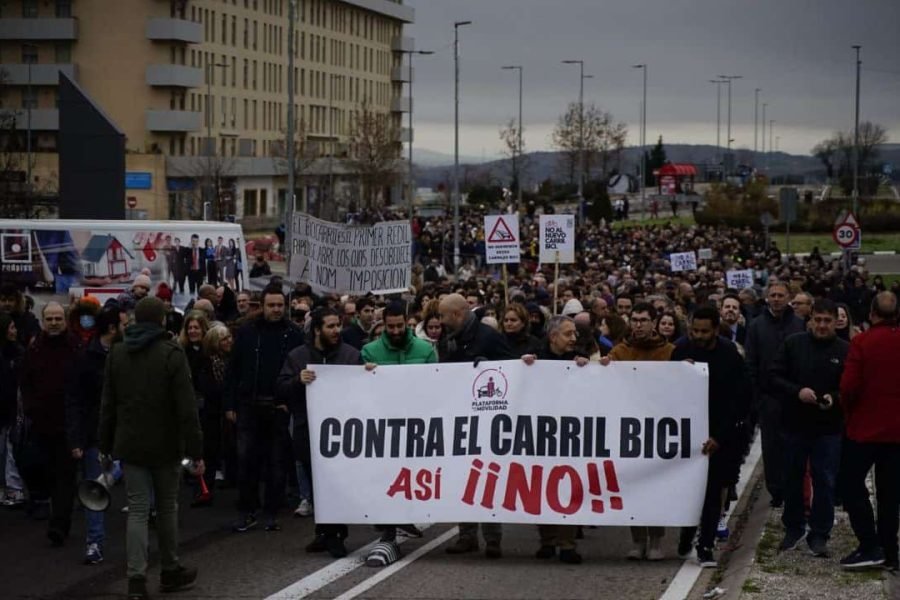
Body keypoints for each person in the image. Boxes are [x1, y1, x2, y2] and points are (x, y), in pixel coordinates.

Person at [99, 297, 204, 600]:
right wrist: (196, 450)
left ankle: (136, 579)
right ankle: (170, 569)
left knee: (137, 510)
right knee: (168, 507)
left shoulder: (117, 353)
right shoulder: (172, 353)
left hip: (130, 443)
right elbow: (186, 408)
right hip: (166, 443)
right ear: (161, 321)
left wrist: (104, 445)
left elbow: (108, 405)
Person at [277, 307, 361, 558]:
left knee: (333, 483)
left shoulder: (350, 355)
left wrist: (368, 373)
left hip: (342, 432)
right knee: (316, 483)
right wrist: (296, 380)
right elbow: (280, 388)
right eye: (331, 326)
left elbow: (364, 389)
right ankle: (324, 531)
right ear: (317, 330)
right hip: (308, 430)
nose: (337, 331)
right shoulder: (297, 356)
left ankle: (336, 535)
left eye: (338, 326)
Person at [359, 302, 437, 566]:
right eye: (390, 326)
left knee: (411, 474)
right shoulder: (369, 350)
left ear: (408, 323)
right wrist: (365, 375)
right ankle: (389, 529)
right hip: (383, 424)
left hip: (417, 423)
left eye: (399, 326)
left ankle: (403, 517)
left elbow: (438, 385)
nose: (394, 331)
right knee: (386, 476)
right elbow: (359, 389)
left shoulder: (426, 350)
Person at [438, 293, 515, 559]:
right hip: (459, 420)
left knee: (488, 478)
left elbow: (512, 370)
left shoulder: (488, 337)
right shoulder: (448, 339)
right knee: (463, 478)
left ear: (457, 315)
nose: (440, 321)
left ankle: (493, 538)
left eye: (443, 316)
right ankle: (467, 535)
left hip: (488, 420)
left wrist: (490, 367)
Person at [769, 299, 848, 558]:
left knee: (825, 479)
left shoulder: (845, 350)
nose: (822, 325)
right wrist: (797, 392)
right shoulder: (793, 344)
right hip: (794, 423)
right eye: (818, 320)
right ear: (810, 320)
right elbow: (774, 377)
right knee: (792, 476)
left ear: (836, 321)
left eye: (828, 320)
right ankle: (793, 527)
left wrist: (833, 398)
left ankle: (820, 533)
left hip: (828, 427)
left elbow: (851, 386)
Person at [673, 306, 749, 568]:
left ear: (716, 330)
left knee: (712, 491)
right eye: (695, 330)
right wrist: (679, 371)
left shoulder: (730, 355)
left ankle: (705, 544)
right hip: (687, 434)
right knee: (686, 491)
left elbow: (739, 400)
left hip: (719, 433)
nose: (699, 336)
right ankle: (686, 533)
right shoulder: (681, 349)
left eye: (705, 331)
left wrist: (719, 436)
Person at [225, 284, 305, 533]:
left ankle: (271, 511)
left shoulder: (294, 334)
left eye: (280, 305)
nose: (276, 310)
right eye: (271, 305)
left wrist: (290, 402)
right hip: (249, 404)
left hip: (279, 406)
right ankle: (246, 510)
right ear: (262, 306)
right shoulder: (247, 332)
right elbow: (233, 371)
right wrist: (229, 404)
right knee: (247, 460)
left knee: (276, 462)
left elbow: (299, 371)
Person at [604, 302, 675, 560]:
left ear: (654, 323)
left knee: (655, 484)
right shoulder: (620, 352)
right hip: (628, 428)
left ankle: (656, 540)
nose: (638, 324)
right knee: (632, 483)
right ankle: (637, 540)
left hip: (658, 426)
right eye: (634, 319)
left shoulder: (669, 351)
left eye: (644, 320)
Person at [839, 292, 900, 571]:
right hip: (896, 433)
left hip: (864, 430)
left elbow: (849, 387)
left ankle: (869, 544)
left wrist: (849, 412)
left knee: (851, 485)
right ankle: (890, 551)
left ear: (872, 313)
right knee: (890, 494)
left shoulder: (861, 342)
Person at [521, 316, 589, 565]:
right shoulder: (535, 356)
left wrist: (590, 366)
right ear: (553, 337)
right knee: (541, 486)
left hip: (570, 432)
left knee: (569, 487)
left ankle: (568, 543)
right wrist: (523, 366)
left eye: (574, 334)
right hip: (541, 432)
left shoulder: (579, 358)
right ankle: (547, 540)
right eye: (568, 334)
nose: (574, 338)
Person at [66, 306, 127, 564]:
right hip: (96, 433)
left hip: (126, 429)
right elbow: (75, 401)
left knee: (127, 469)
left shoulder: (127, 354)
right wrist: (76, 438)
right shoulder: (85, 358)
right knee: (94, 487)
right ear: (112, 328)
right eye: (123, 323)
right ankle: (95, 542)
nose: (127, 327)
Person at [19, 302, 81, 545]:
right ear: (43, 321)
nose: (54, 323)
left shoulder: (75, 347)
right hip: (41, 423)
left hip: (68, 425)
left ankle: (59, 524)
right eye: (49, 319)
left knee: (64, 478)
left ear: (65, 320)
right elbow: (25, 382)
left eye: (58, 318)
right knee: (37, 467)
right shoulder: (34, 350)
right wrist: (31, 407)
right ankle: (42, 502)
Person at [745, 281, 806, 508]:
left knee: (794, 446)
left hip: (794, 398)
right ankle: (776, 490)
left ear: (789, 297)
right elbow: (751, 362)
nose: (777, 298)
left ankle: (795, 488)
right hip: (768, 398)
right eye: (773, 295)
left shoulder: (799, 324)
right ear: (767, 298)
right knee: (771, 448)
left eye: (781, 295)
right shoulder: (756, 326)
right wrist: (757, 398)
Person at [179, 312, 212, 506]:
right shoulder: (182, 352)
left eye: (196, 327)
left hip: (206, 405)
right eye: (189, 328)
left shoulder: (209, 353)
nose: (192, 331)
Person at [0, 312, 26, 507]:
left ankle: (12, 487)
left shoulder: (18, 353)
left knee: (9, 449)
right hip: (5, 409)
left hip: (11, 409)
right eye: (11, 327)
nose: (14, 331)